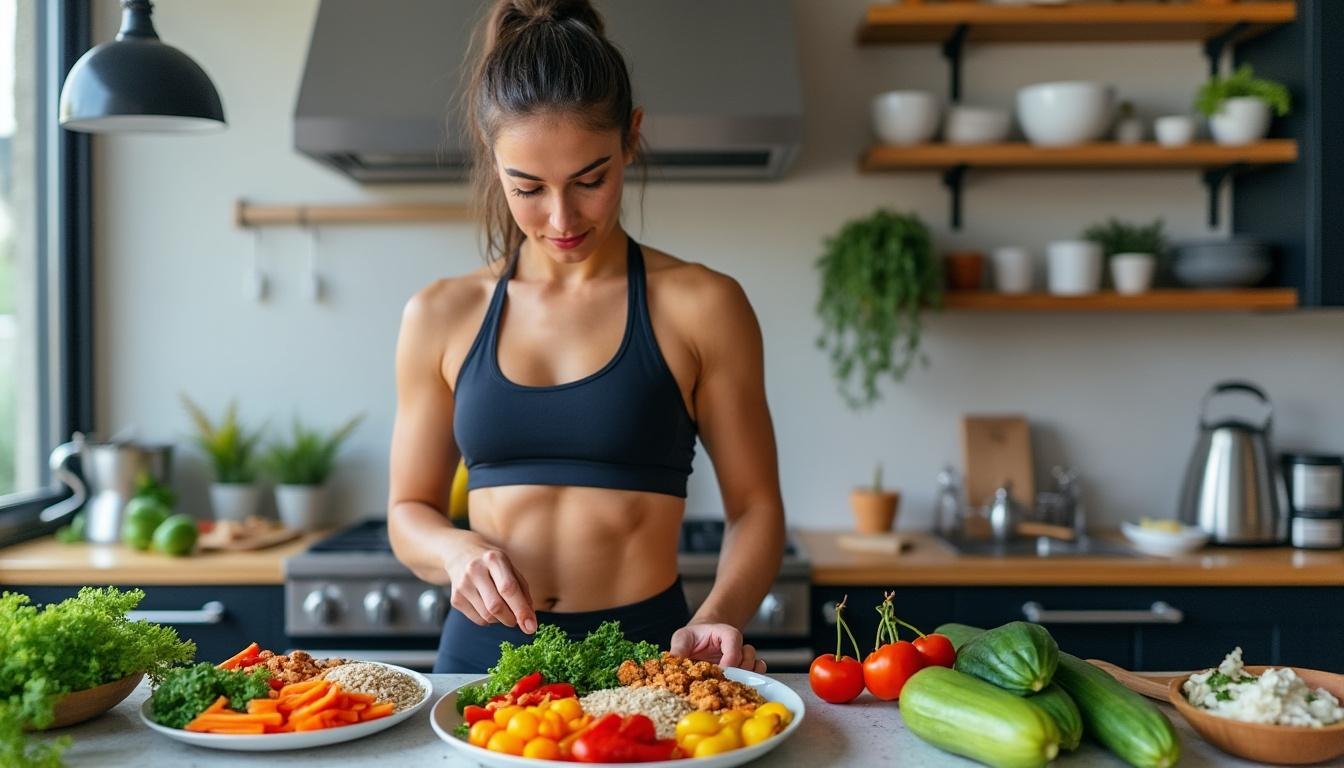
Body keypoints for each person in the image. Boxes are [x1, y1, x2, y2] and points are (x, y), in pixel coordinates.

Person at [387, 0, 785, 675]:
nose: (562, 217)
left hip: (647, 663)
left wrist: (720, 614)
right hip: (482, 666)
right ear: (494, 157)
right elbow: (407, 511)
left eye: (589, 180)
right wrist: (454, 551)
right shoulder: (440, 313)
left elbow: (756, 508)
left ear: (632, 137)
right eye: (528, 188)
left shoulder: (703, 305)